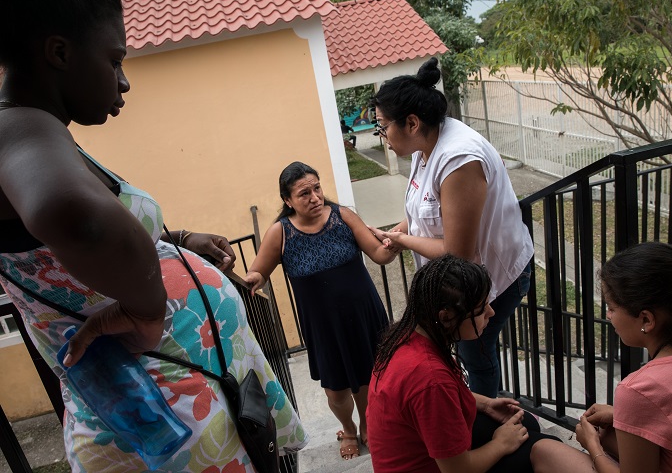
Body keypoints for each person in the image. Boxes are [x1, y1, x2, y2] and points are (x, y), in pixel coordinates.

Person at [0, 0, 306, 471]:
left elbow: (68, 247)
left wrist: (175, 240)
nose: (123, 81)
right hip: (167, 414)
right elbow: (75, 216)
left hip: (189, 391)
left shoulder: (42, 129)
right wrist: (147, 312)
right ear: (59, 53)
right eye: (115, 60)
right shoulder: (14, 131)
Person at [369, 57, 534, 398]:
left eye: (383, 127)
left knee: (477, 351)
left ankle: (488, 419)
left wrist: (404, 239)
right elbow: (425, 210)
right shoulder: (424, 144)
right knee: (463, 348)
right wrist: (399, 232)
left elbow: (458, 253)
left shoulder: (459, 159)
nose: (382, 136)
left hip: (492, 275)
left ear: (411, 122)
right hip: (461, 278)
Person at [367, 254, 585, 473]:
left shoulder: (407, 335)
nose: (491, 312)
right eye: (481, 310)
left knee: (526, 423)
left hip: (421, 448)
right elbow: (458, 470)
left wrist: (485, 404)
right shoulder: (430, 379)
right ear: (445, 317)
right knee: (544, 448)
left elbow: (432, 402)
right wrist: (500, 444)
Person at [243, 161, 396, 460]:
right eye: (304, 193)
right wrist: (253, 279)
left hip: (363, 315)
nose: (315, 197)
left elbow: (378, 254)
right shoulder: (281, 233)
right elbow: (259, 273)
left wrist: (391, 246)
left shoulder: (344, 216)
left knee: (367, 379)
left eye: (317, 188)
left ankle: (367, 426)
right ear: (288, 200)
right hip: (323, 324)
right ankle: (348, 428)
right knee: (336, 390)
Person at [565, 239, 672, 473]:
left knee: (544, 450)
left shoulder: (640, 389)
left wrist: (592, 446)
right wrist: (620, 415)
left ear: (646, 320)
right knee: (610, 433)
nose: (608, 316)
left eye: (612, 308)